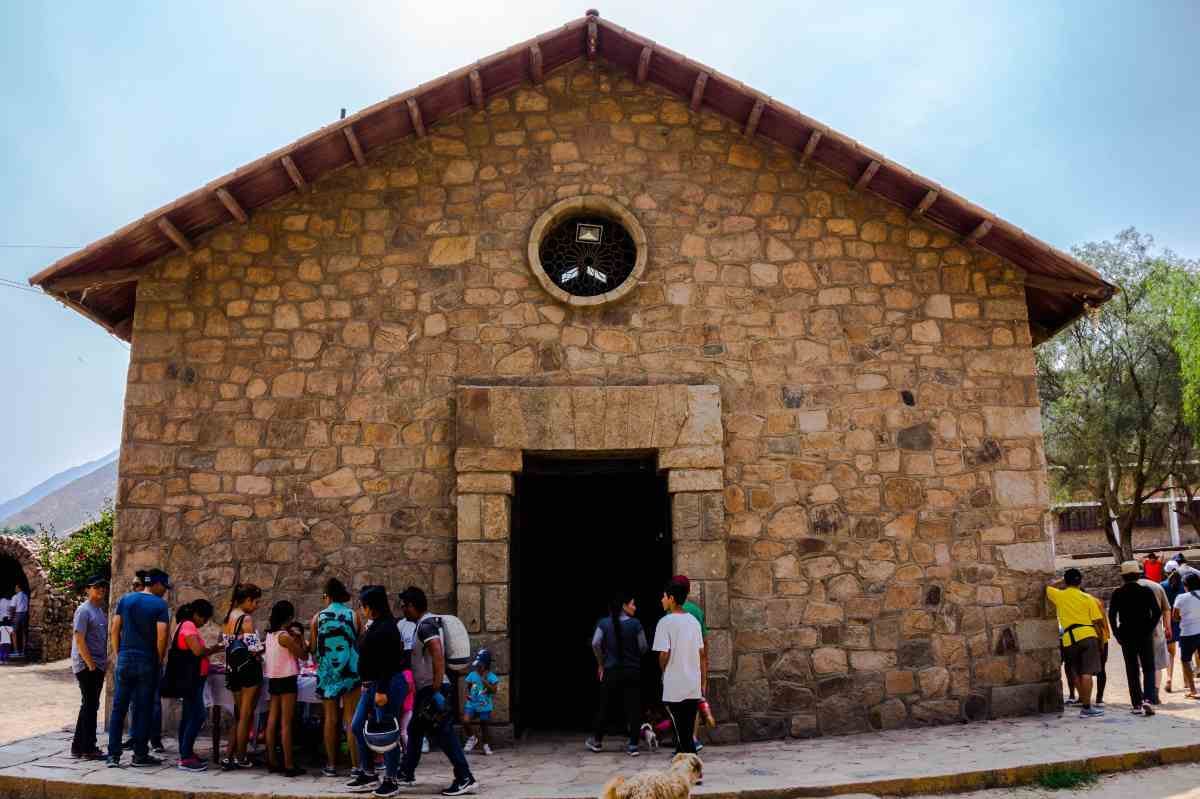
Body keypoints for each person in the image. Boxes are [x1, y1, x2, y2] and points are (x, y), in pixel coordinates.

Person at [397, 586, 477, 796]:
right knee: (415, 729)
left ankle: (465, 777)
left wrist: (436, 685)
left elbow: (437, 652)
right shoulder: (429, 622)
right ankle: (406, 772)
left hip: (432, 689)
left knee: (445, 734)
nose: (402, 610)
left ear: (413, 606)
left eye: (404, 606)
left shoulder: (425, 626)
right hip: (430, 688)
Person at [347, 586, 410, 796]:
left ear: (371, 607)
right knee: (357, 726)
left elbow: (388, 663)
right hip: (372, 685)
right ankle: (369, 772)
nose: (361, 609)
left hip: (386, 685)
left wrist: (381, 690)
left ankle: (391, 779)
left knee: (387, 732)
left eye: (363, 606)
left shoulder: (387, 628)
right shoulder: (376, 625)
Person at [107, 568, 170, 767]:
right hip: (147, 660)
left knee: (119, 708)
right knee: (143, 709)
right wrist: (159, 660)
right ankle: (140, 755)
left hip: (125, 657)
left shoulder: (126, 600)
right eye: (164, 587)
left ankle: (113, 756)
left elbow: (115, 629)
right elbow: (162, 635)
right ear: (158, 584)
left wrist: (119, 654)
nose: (165, 591)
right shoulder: (160, 604)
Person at [311, 577, 362, 778]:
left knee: (330, 719)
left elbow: (314, 649)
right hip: (350, 671)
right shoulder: (354, 615)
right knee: (351, 718)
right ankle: (356, 766)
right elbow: (358, 643)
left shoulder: (317, 617)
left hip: (327, 673)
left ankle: (331, 765)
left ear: (327, 596)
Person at [586, 592, 647, 757]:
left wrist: (601, 663)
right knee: (633, 708)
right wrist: (633, 656)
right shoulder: (636, 624)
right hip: (632, 671)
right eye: (633, 604)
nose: (635, 607)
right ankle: (633, 745)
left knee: (605, 706)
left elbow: (595, 643)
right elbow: (643, 647)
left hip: (611, 670)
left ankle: (597, 741)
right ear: (624, 606)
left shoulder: (604, 623)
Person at [653, 579, 706, 755]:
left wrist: (663, 670)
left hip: (675, 683)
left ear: (672, 598)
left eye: (664, 596)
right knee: (687, 729)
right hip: (692, 683)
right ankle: (687, 765)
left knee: (682, 732)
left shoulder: (665, 623)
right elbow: (701, 652)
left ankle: (694, 769)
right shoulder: (693, 622)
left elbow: (663, 654)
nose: (662, 599)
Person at [1046, 569, 1105, 717]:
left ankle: (1083, 703)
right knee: (1087, 673)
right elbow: (1097, 622)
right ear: (1081, 582)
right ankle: (1087, 706)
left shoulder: (1060, 596)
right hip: (1087, 635)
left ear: (1066, 582)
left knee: (1076, 673)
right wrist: (1101, 642)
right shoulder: (1088, 598)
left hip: (1069, 639)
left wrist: (1061, 581)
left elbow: (1046, 587)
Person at [171, 599, 221, 772]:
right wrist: (215, 648)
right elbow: (198, 651)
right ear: (197, 615)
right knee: (198, 715)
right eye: (204, 619)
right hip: (191, 679)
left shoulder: (184, 625)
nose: (205, 623)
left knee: (188, 715)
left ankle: (186, 752)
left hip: (191, 678)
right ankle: (185, 757)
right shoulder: (189, 626)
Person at [1108, 561, 1162, 715]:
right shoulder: (1146, 591)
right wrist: (1149, 627)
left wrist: (1117, 633)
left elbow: (1112, 615)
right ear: (1138, 575)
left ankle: (1137, 704)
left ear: (1123, 577)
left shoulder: (1117, 593)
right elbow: (1157, 612)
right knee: (1148, 667)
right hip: (1144, 633)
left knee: (1132, 669)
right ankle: (1148, 699)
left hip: (1126, 633)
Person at [262, 600, 308, 777]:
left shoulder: (270, 635)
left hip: (273, 678)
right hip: (287, 679)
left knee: (272, 720)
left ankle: (272, 760)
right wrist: (299, 637)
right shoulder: (285, 637)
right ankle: (289, 764)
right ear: (289, 618)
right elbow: (303, 655)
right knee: (286, 722)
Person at [222, 582, 264, 770]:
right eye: (255, 602)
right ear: (247, 600)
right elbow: (254, 649)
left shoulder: (229, 617)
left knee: (239, 714)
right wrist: (264, 645)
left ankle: (229, 755)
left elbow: (227, 643)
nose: (257, 606)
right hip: (248, 670)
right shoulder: (246, 619)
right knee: (246, 714)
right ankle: (241, 756)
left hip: (233, 669)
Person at [70, 576, 109, 759]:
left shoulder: (99, 611)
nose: (101, 590)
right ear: (88, 589)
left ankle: (78, 747)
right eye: (97, 587)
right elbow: (79, 639)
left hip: (97, 665)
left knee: (89, 705)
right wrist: (91, 665)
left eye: (103, 587)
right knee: (90, 706)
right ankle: (88, 748)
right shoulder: (84, 611)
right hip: (88, 666)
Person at [672, 575, 709, 751]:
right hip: (693, 665)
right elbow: (704, 644)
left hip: (677, 666)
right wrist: (704, 674)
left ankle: (682, 742)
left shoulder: (671, 613)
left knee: (678, 708)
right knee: (692, 706)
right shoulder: (697, 612)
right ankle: (692, 738)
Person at [1138, 569, 1172, 704]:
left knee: (1137, 664)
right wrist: (1168, 627)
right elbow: (1166, 609)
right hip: (1156, 630)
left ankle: (1141, 695)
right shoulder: (1156, 586)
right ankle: (1155, 695)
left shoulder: (1127, 587)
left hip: (1135, 631)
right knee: (1156, 664)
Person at [462, 649, 499, 757]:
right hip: (472, 704)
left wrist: (484, 681)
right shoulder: (472, 674)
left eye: (480, 664)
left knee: (484, 724)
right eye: (477, 664)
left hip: (484, 705)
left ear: (486, 664)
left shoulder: (491, 676)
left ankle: (486, 745)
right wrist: (467, 694)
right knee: (465, 721)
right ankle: (472, 738)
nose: (478, 666)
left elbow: (494, 690)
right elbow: (467, 686)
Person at [1173, 573, 1200, 698]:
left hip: (1188, 633)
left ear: (1185, 585)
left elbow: (1175, 617)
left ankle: (1193, 690)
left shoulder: (1181, 598)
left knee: (1186, 660)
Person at [1163, 562, 1185, 692]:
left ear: (1165, 572)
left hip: (1168, 623)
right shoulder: (1184, 585)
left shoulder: (1162, 586)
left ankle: (1169, 678)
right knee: (1185, 654)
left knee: (1171, 653)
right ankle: (1186, 682)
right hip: (1183, 622)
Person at [11, 583, 29, 658]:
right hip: (25, 614)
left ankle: (16, 651)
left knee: (14, 632)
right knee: (24, 632)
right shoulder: (26, 596)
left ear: (19, 588)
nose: (15, 589)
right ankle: (23, 651)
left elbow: (12, 607)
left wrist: (12, 616)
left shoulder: (15, 596)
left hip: (17, 614)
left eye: (16, 588)